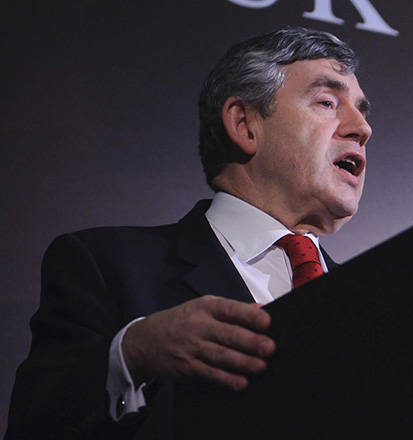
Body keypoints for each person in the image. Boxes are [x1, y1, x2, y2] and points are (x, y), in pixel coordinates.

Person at [6, 27, 372, 439]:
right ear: (244, 124)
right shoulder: (105, 263)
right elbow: (35, 426)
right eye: (327, 102)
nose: (361, 128)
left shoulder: (373, 306)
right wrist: (133, 354)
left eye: (361, 111)